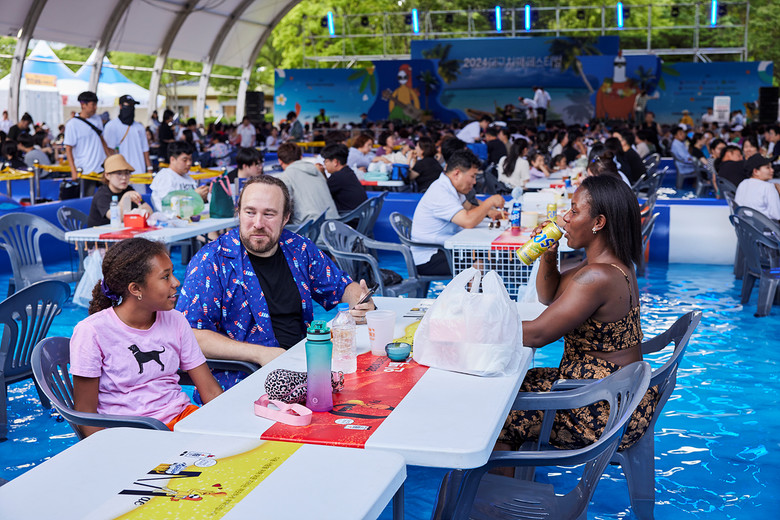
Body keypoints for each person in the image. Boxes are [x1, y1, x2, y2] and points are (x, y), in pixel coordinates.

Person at [497, 175, 657, 455]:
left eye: (574, 211)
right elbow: (549, 295)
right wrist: (548, 253)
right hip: (618, 394)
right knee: (511, 386)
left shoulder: (597, 276)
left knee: (497, 413)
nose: (564, 219)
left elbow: (538, 335)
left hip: (600, 409)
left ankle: (499, 482)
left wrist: (472, 328)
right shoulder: (611, 264)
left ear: (598, 223)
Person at [176, 175, 375, 368]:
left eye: (269, 214)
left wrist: (361, 302)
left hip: (303, 363)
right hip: (243, 376)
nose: (258, 224)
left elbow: (342, 286)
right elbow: (190, 334)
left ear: (285, 217)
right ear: (239, 212)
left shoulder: (299, 248)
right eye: (250, 212)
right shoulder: (211, 261)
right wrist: (259, 353)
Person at [70, 238, 223, 437]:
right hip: (128, 435)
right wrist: (108, 451)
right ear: (136, 289)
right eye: (165, 277)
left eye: (172, 273)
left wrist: (231, 428)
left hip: (182, 421)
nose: (176, 283)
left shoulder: (176, 320)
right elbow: (86, 415)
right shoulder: (91, 332)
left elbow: (210, 390)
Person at [411, 149, 506, 276]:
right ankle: (474, 289)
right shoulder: (441, 192)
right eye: (472, 176)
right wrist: (490, 202)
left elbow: (469, 208)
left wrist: (490, 212)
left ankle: (484, 287)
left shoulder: (451, 188)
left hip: (443, 249)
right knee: (481, 260)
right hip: (430, 257)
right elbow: (468, 221)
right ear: (457, 173)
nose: (474, 182)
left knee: (489, 255)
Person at [275, 142, 339, 226]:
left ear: (280, 161)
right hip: (334, 224)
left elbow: (283, 207)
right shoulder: (317, 171)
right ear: (301, 157)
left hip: (312, 227)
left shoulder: (285, 177)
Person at [87, 154, 152, 227]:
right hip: (100, 233)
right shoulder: (102, 194)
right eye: (119, 174)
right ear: (107, 175)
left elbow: (149, 211)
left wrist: (141, 208)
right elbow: (116, 217)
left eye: (127, 173)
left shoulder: (129, 190)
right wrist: (125, 197)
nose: (124, 178)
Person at [149, 141, 208, 211]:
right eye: (185, 160)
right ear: (172, 160)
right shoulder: (165, 176)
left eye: (190, 159)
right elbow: (167, 204)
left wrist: (203, 197)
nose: (189, 163)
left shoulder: (189, 178)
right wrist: (194, 195)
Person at [103, 95, 151, 177]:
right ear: (120, 106)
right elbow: (109, 151)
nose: (131, 108)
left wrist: (149, 168)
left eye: (132, 105)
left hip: (139, 172)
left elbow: (145, 149)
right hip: (120, 173)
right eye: (128, 105)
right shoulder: (111, 126)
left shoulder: (139, 127)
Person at [64, 91, 108, 181]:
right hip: (85, 171)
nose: (95, 108)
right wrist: (73, 171)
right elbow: (68, 149)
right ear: (83, 105)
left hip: (101, 169)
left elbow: (102, 140)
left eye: (96, 104)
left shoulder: (97, 119)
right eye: (93, 105)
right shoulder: (72, 124)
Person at [323, 143, 368, 213]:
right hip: (360, 215)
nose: (324, 165)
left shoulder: (337, 177)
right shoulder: (348, 172)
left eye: (326, 161)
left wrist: (319, 173)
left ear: (335, 162)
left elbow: (321, 193)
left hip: (348, 217)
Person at [735, 155, 780, 220]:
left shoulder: (743, 183)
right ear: (756, 171)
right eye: (768, 168)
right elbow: (777, 215)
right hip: (764, 225)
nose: (772, 170)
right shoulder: (768, 187)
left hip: (744, 224)